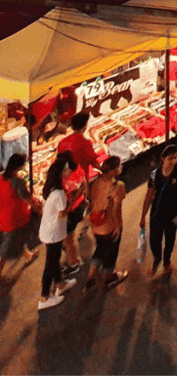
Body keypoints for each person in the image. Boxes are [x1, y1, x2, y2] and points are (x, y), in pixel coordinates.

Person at [56, 111, 101, 273]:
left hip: (69, 191)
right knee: (69, 231)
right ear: (84, 126)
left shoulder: (63, 142)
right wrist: (106, 170)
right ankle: (73, 261)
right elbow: (94, 162)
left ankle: (74, 243)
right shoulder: (84, 143)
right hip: (77, 193)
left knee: (70, 227)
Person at [140, 144, 177, 277]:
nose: (173, 161)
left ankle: (166, 262)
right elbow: (149, 195)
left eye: (175, 158)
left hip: (173, 212)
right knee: (154, 240)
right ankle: (157, 259)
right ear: (162, 159)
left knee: (170, 238)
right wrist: (142, 216)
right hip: (156, 213)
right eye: (170, 158)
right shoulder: (154, 175)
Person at [38, 157, 77, 310]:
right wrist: (75, 197)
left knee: (53, 260)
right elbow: (63, 213)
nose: (68, 171)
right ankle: (44, 297)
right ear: (60, 172)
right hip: (53, 233)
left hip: (49, 231)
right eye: (66, 169)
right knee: (51, 263)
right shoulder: (59, 193)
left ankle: (60, 283)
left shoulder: (50, 189)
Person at [85, 156, 127, 290]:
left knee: (100, 249)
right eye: (119, 166)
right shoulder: (118, 186)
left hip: (96, 225)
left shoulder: (95, 182)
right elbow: (117, 208)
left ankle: (91, 275)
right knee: (111, 253)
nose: (121, 168)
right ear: (113, 170)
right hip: (109, 227)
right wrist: (118, 226)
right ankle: (110, 278)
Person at [0, 153, 38, 282]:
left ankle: (27, 254)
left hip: (5, 215)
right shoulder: (17, 182)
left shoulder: (1, 178)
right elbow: (28, 199)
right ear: (20, 166)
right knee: (6, 250)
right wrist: (38, 206)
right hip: (15, 219)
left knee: (21, 237)